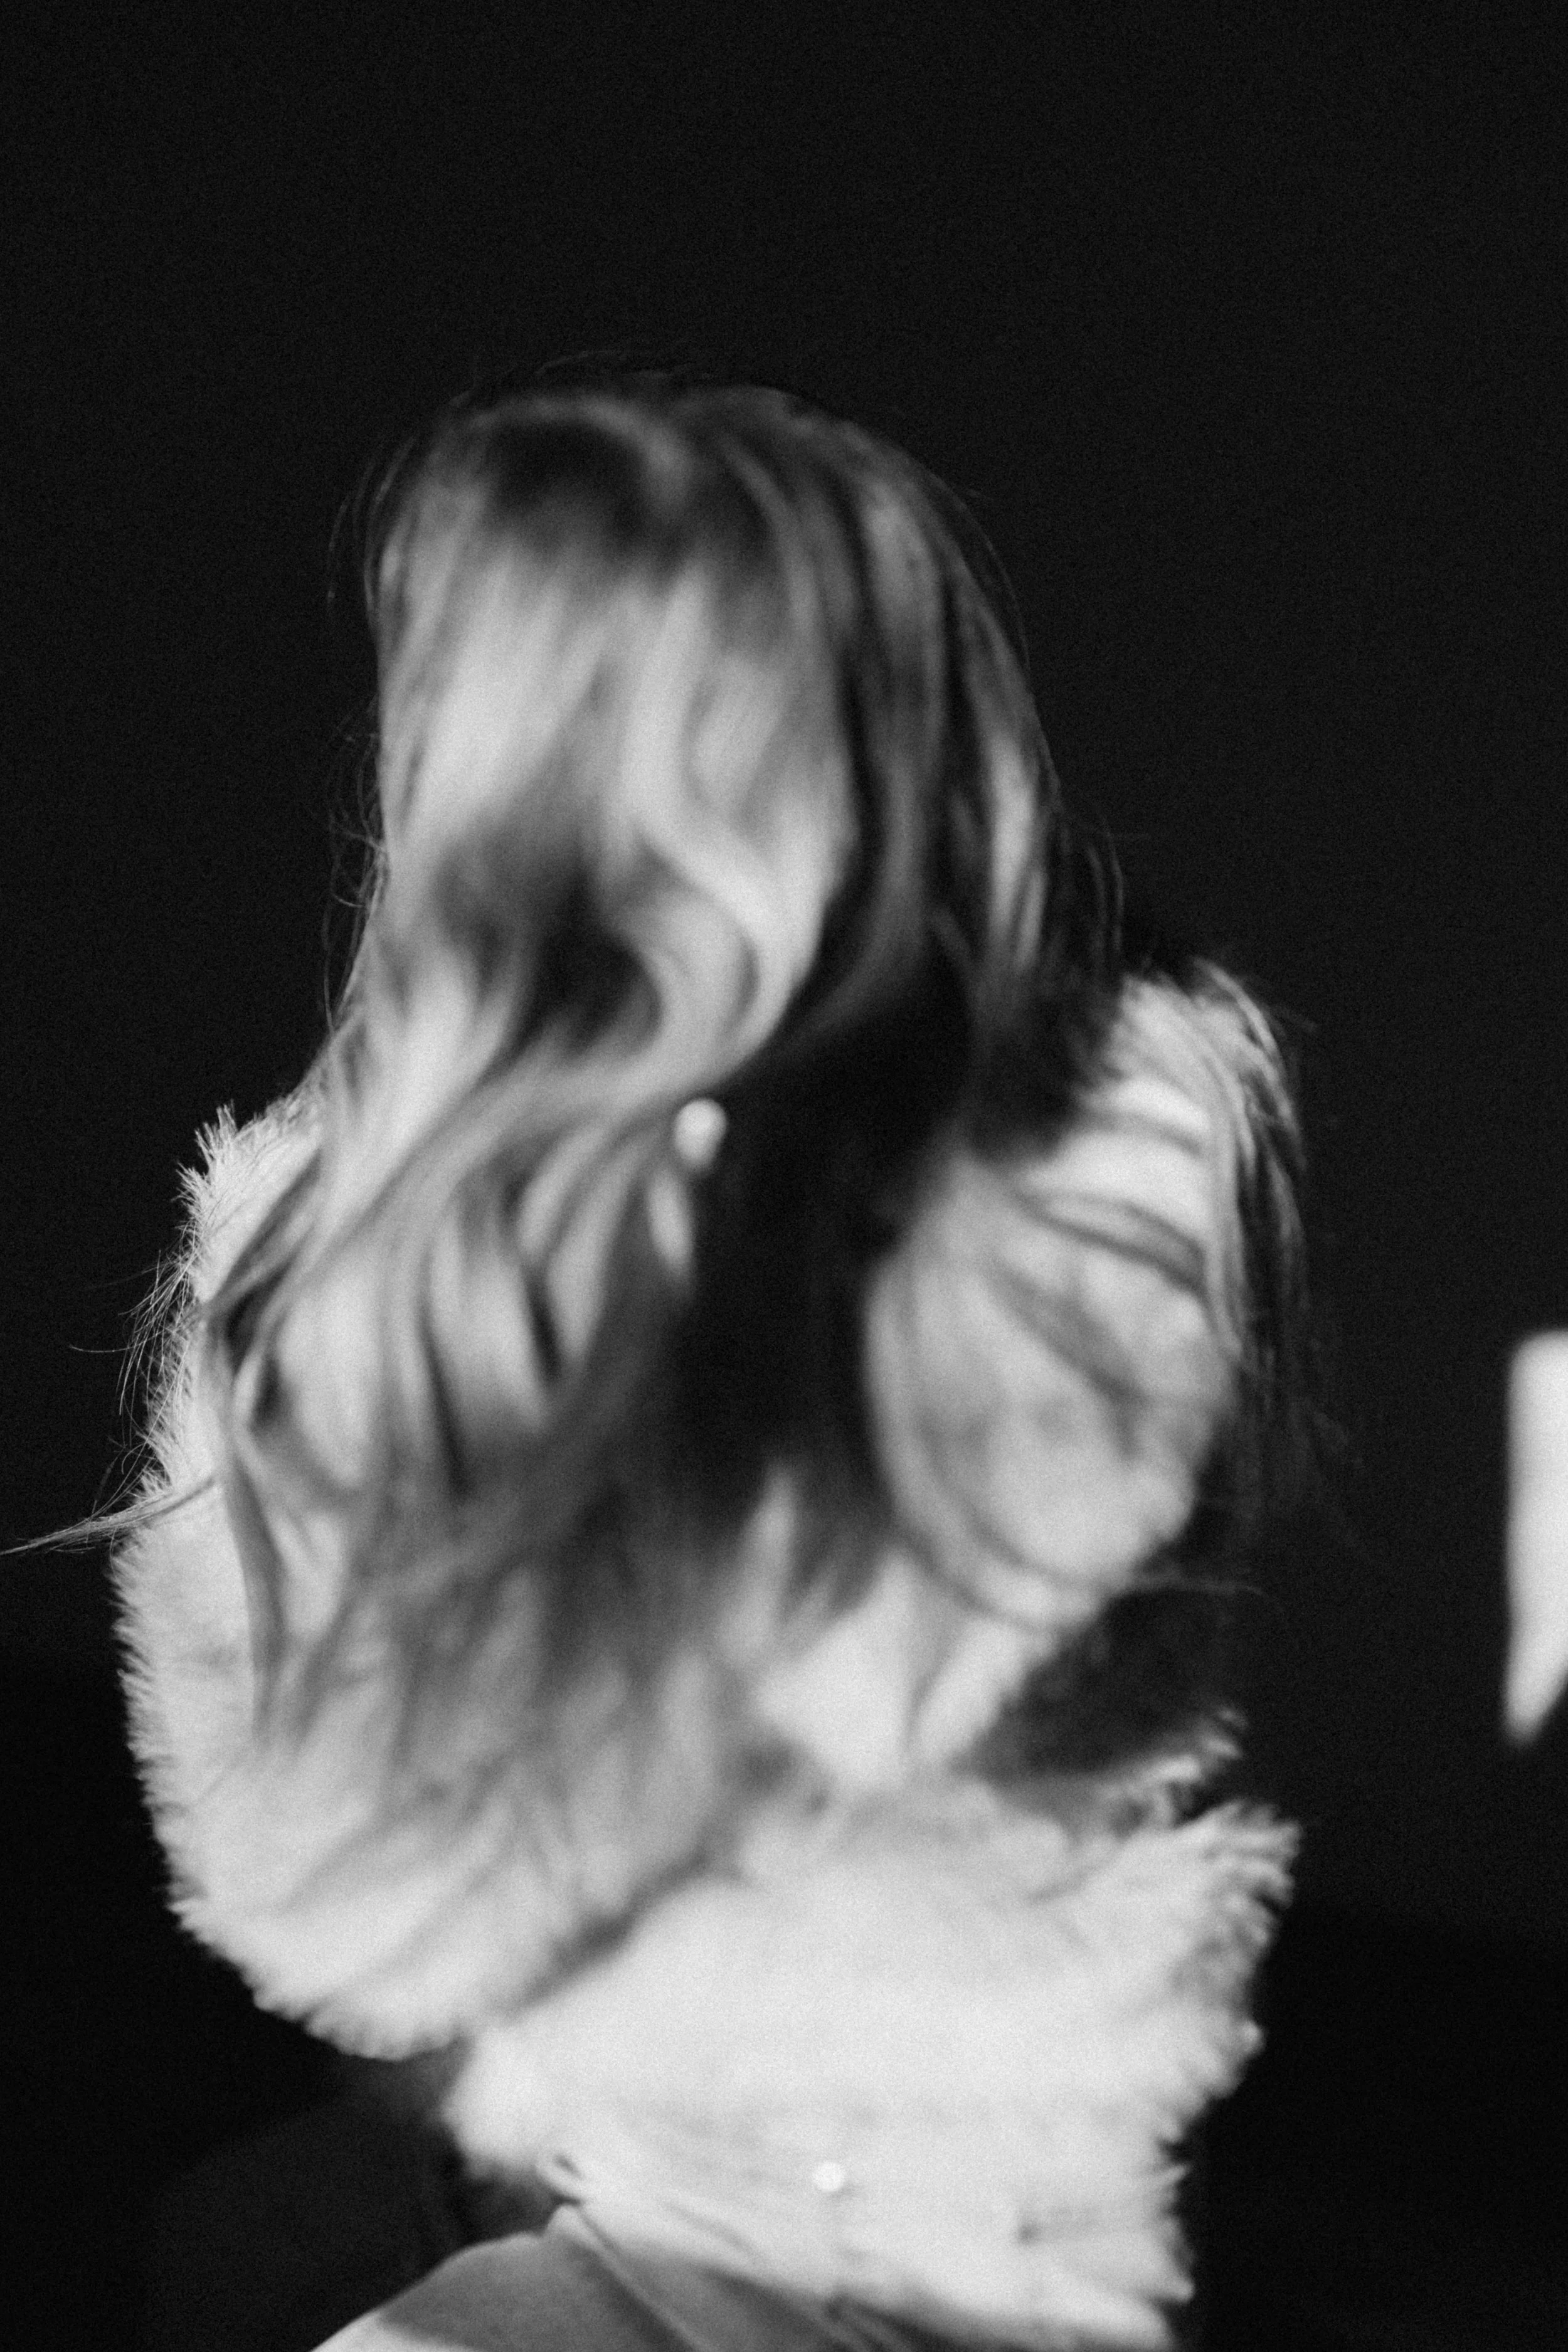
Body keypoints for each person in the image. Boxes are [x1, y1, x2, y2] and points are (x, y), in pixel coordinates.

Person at [60, 378, 1313, 2348]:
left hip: (846, 2254)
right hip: (653, 2145)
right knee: (225, 2239)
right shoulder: (1064, 1160)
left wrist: (371, 1324)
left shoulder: (975, 1277)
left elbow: (343, 1886)